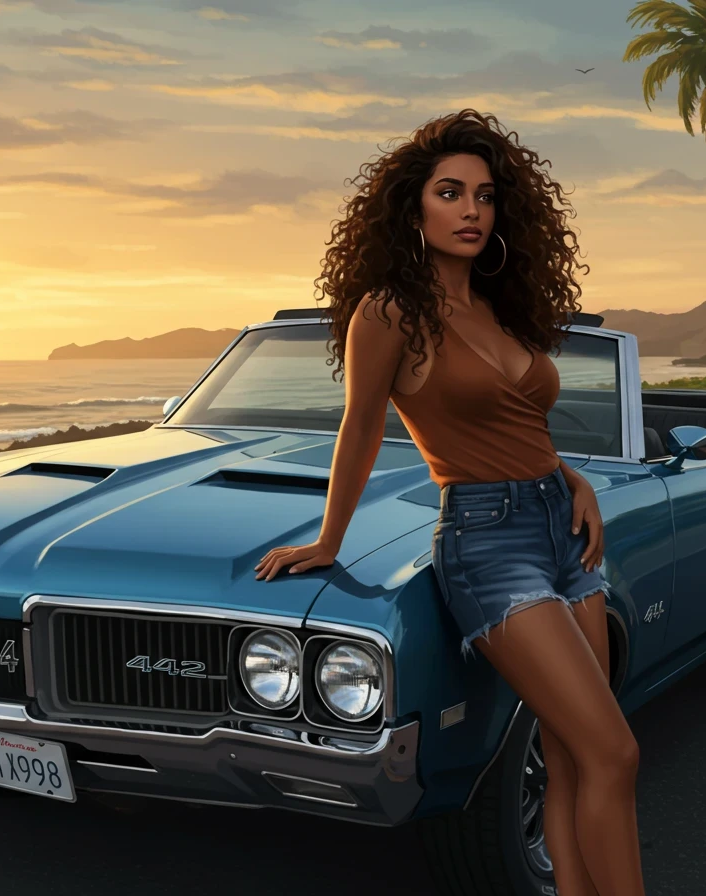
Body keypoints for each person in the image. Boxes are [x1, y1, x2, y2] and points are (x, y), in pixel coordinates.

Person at [253, 109, 647, 896]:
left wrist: (571, 478)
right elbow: (360, 426)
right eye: (450, 192)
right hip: (489, 546)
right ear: (414, 206)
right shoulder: (390, 312)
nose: (471, 209)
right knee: (616, 753)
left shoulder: (503, 307)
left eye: (486, 196)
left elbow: (520, 422)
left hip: (562, 531)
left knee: (570, 755)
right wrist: (330, 539)